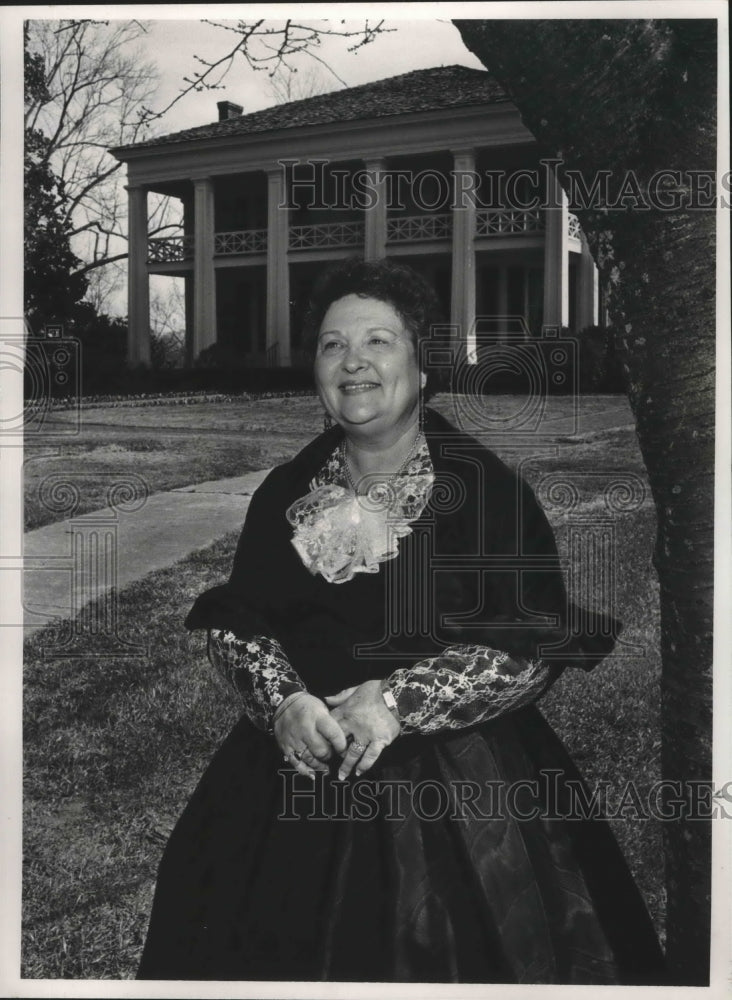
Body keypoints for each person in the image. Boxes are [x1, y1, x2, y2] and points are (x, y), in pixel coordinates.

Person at [137, 258, 665, 984]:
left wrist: (392, 704)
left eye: (377, 342)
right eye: (332, 345)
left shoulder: (487, 492)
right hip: (291, 769)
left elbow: (530, 651)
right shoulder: (285, 492)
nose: (352, 362)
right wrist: (283, 705)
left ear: (422, 367)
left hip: (453, 787)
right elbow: (237, 623)